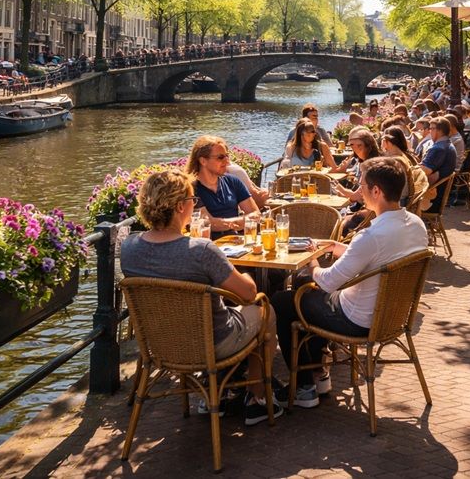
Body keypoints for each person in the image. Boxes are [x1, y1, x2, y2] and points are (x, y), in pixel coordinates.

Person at [120, 169, 282, 424]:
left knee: (226, 309)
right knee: (266, 311)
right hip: (211, 342)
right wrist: (248, 273)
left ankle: (216, 391)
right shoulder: (201, 250)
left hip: (160, 343)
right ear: (180, 207)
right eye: (192, 201)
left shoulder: (129, 248)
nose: (194, 206)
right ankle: (257, 398)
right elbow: (248, 293)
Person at [270, 157, 427, 408]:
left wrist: (311, 261)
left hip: (358, 320)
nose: (359, 190)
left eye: (362, 185)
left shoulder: (371, 235)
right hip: (392, 316)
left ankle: (305, 386)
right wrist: (337, 247)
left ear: (376, 191)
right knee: (302, 286)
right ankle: (318, 371)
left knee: (283, 301)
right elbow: (381, 255)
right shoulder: (416, 225)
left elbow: (330, 282)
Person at [187, 135, 259, 239]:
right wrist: (241, 221)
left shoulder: (233, 181)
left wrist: (229, 223)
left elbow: (255, 213)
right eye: (220, 157)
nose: (227, 162)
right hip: (207, 246)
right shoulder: (191, 189)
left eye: (227, 156)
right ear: (203, 161)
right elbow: (208, 222)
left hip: (236, 243)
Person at [420, 117, 458, 212]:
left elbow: (424, 171)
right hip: (438, 196)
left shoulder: (439, 148)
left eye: (432, 128)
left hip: (430, 200)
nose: (429, 131)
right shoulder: (447, 144)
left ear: (439, 131)